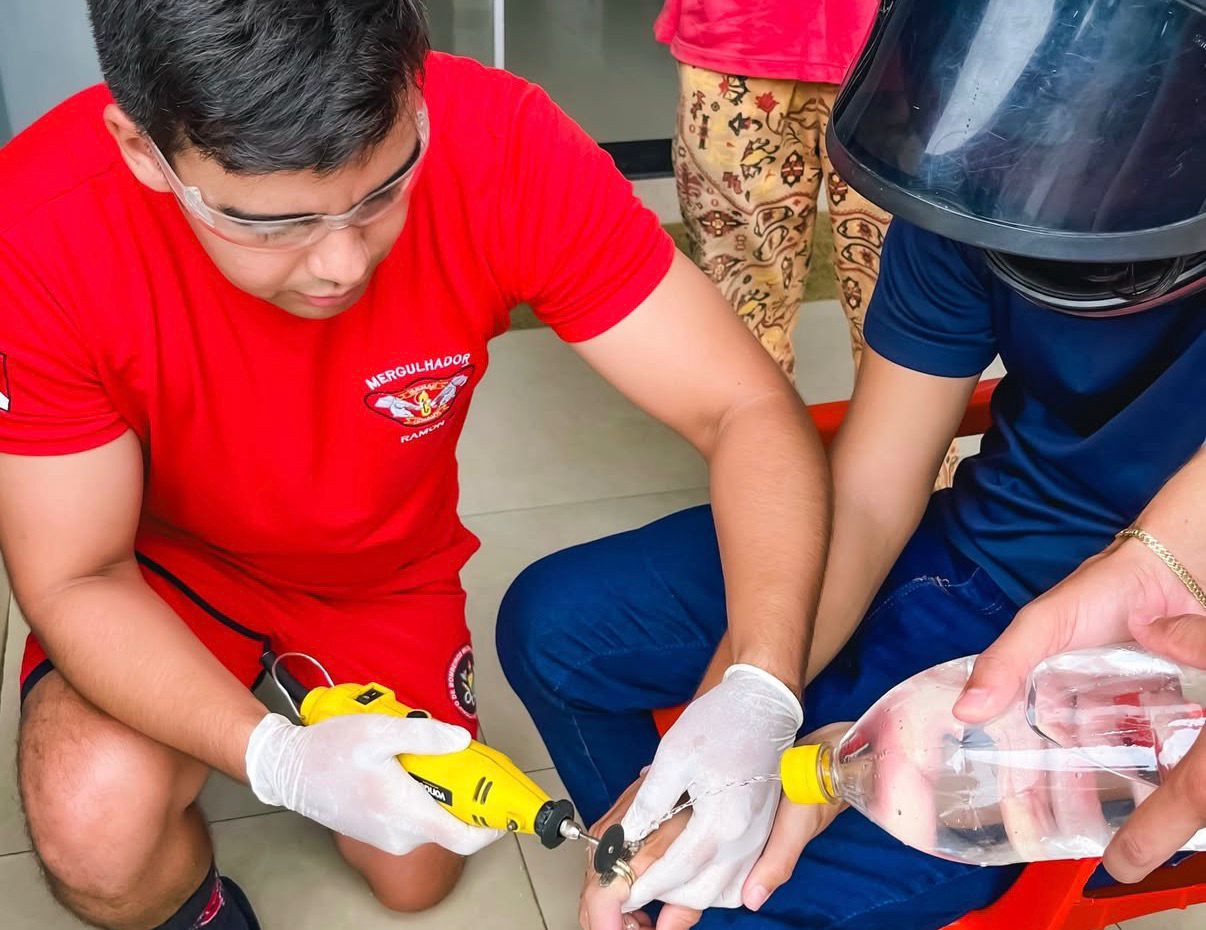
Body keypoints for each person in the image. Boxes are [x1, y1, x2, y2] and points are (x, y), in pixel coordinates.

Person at [0, 3, 832, 929]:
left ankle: (289, 689)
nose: (342, 263)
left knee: (418, 871)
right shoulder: (35, 227)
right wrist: (275, 758)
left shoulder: (501, 141)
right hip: (163, 573)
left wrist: (758, 688)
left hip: (378, 570)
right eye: (273, 222)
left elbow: (747, 406)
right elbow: (77, 573)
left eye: (382, 189)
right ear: (143, 150)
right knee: (95, 824)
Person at [498, 0, 1206, 927]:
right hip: (973, 547)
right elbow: (874, 489)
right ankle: (639, 855)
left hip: (1145, 661)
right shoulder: (978, 174)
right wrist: (742, 706)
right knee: (556, 627)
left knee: (738, 907)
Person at [654, 0, 960, 485]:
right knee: (741, 320)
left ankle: (923, 525)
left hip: (900, 46)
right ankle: (766, 517)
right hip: (736, 44)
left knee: (913, 315)